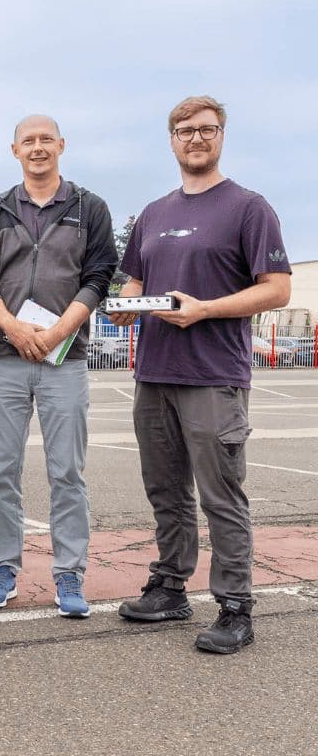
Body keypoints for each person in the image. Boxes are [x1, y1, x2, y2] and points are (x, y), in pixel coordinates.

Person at [111, 96, 291, 654]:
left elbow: (277, 289)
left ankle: (236, 608)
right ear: (172, 140)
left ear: (221, 136)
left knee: (221, 495)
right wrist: (127, 304)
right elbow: (134, 282)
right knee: (166, 490)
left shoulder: (248, 208)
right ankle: (170, 586)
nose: (195, 138)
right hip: (154, 374)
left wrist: (205, 309)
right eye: (185, 130)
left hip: (214, 375)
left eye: (207, 129)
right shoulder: (153, 213)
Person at [0, 114, 116, 618]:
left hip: (65, 359)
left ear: (61, 145)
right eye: (28, 141)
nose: (37, 148)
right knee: (0, 471)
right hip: (4, 357)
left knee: (67, 472)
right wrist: (11, 327)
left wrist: (56, 334)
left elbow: (98, 277)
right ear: (15, 150)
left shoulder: (89, 208)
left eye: (45, 139)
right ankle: (2, 571)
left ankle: (69, 575)